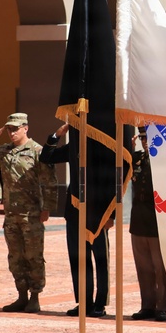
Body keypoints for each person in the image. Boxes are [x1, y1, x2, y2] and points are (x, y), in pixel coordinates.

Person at [40, 123, 111, 318]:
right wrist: (57, 134)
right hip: (74, 211)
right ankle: (85, 302)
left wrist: (110, 215)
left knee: (101, 259)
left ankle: (100, 303)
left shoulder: (103, 146)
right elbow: (46, 157)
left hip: (98, 212)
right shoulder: (74, 148)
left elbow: (112, 180)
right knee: (78, 259)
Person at [0, 114, 58, 313]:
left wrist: (47, 209)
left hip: (32, 214)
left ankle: (35, 296)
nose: (12, 133)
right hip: (11, 215)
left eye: (16, 128)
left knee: (34, 256)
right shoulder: (4, 152)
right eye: (9, 129)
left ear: (26, 128)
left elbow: (50, 181)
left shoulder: (37, 151)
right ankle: (21, 295)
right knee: (15, 257)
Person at [129, 127, 166, 321]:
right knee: (143, 266)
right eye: (143, 139)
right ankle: (147, 305)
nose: (146, 142)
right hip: (139, 217)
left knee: (160, 267)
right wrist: (127, 146)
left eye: (150, 138)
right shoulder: (137, 158)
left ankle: (162, 306)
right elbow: (120, 164)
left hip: (158, 219)